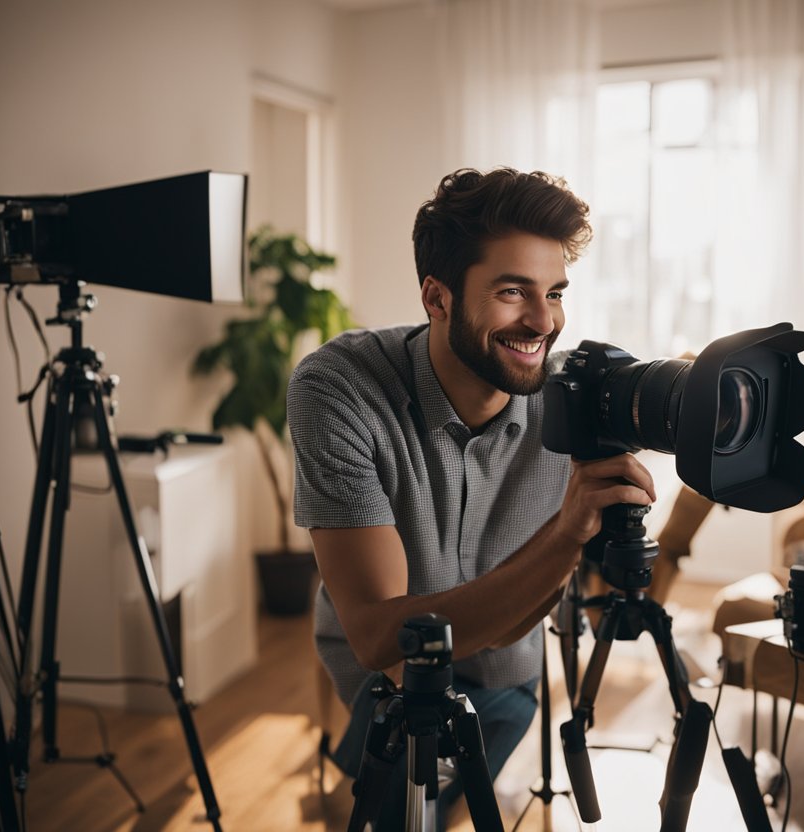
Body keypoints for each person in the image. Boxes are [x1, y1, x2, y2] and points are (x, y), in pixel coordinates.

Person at [286, 167, 656, 825]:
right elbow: (378, 635)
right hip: (384, 683)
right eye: (514, 291)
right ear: (438, 297)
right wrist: (568, 532)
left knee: (447, 794)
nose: (543, 321)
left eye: (556, 292)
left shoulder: (570, 395)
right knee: (397, 806)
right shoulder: (338, 387)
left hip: (507, 675)